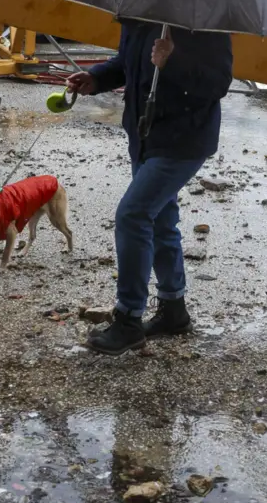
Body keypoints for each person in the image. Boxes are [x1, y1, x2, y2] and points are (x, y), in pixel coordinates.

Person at [67, 21, 233, 355]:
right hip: (145, 136)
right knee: (159, 219)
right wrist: (96, 78)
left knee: (133, 214)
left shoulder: (203, 20)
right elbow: (127, 63)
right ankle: (173, 310)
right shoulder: (138, 15)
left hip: (184, 138)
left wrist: (173, 60)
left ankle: (128, 319)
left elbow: (218, 83)